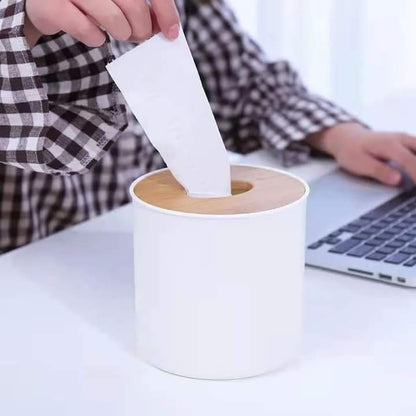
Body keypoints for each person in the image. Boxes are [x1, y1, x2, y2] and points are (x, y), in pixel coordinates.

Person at [1, 0, 416, 254]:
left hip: (154, 261)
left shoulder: (185, 6)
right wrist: (26, 23)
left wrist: (341, 136)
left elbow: (242, 83)